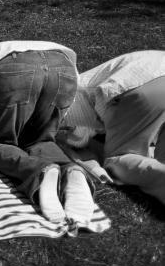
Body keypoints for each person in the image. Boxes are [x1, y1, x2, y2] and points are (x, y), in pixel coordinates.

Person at [0, 41, 95, 225]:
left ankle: (40, 172)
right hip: (64, 66)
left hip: (13, 67)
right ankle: (71, 170)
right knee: (42, 140)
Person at [59, 50, 165, 205]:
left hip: (140, 87)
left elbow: (78, 136)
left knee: (118, 158)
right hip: (154, 69)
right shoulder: (85, 80)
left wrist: (70, 141)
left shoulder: (69, 102)